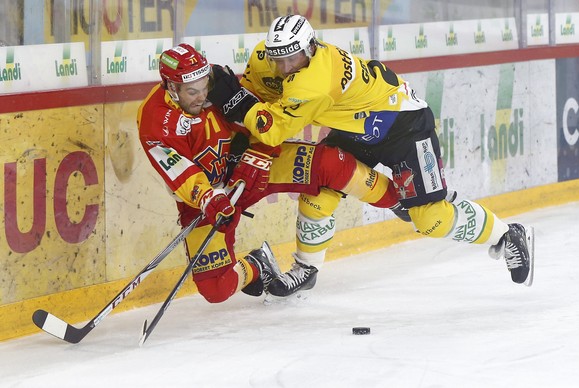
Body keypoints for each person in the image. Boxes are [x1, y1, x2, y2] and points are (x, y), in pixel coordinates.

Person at [206, 15, 535, 288]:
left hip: (404, 125)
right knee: (318, 186)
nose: (285, 66)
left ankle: (507, 235)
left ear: (311, 47)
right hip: (356, 127)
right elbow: (254, 99)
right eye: (279, 58)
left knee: (430, 219)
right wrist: (237, 117)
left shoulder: (314, 82)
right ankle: (306, 270)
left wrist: (236, 100)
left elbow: (272, 129)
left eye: (293, 58)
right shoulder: (268, 59)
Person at [137, 43, 403, 304]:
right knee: (217, 289)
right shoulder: (153, 120)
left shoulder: (216, 82)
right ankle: (258, 263)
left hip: (250, 167)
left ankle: (402, 201)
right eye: (193, 91)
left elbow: (264, 114)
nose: (202, 95)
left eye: (204, 85)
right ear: (172, 87)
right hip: (207, 201)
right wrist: (209, 198)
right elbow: (180, 172)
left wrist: (261, 150)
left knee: (330, 165)